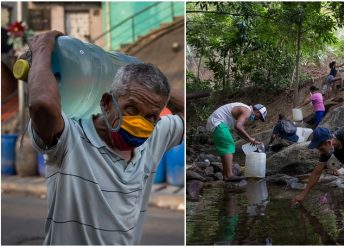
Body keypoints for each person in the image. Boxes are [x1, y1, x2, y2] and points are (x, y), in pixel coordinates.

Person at [26, 31, 184, 245]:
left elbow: (187, 111)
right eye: (131, 109)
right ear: (108, 102)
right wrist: (42, 48)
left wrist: (134, 69)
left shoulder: (155, 136)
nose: (141, 123)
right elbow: (42, 104)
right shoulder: (70, 137)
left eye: (150, 116)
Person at [292, 117, 344, 204]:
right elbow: (317, 172)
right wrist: (303, 194)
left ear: (328, 143)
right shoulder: (331, 147)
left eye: (321, 149)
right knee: (341, 153)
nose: (321, 152)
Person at [206, 103, 267, 182]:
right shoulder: (247, 111)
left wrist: (250, 140)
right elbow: (238, 126)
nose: (257, 119)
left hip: (216, 122)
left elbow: (239, 131)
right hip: (218, 122)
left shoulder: (245, 111)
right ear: (258, 112)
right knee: (229, 144)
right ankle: (229, 175)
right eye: (259, 117)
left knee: (227, 147)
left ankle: (226, 175)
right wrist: (250, 138)